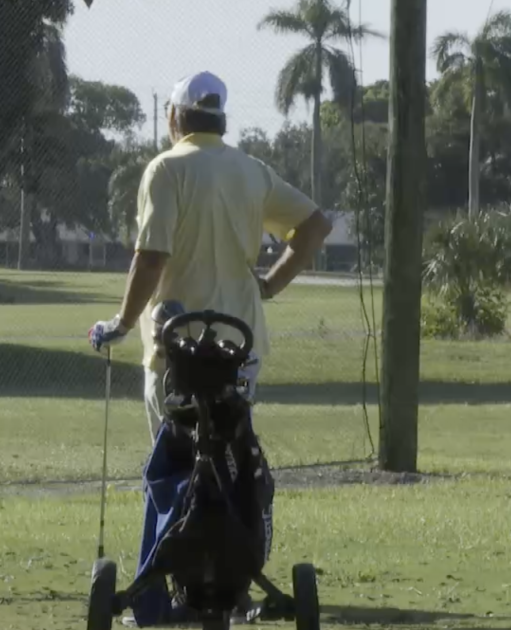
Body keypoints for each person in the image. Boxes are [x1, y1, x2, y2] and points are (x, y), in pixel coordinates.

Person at [88, 71, 332, 627]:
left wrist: (123, 322)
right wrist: (268, 283)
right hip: (241, 346)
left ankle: (158, 599)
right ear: (221, 119)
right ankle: (230, 588)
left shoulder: (165, 168)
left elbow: (151, 257)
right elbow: (316, 225)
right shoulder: (250, 170)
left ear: (175, 119)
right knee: (231, 456)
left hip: (176, 352)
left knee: (174, 463)